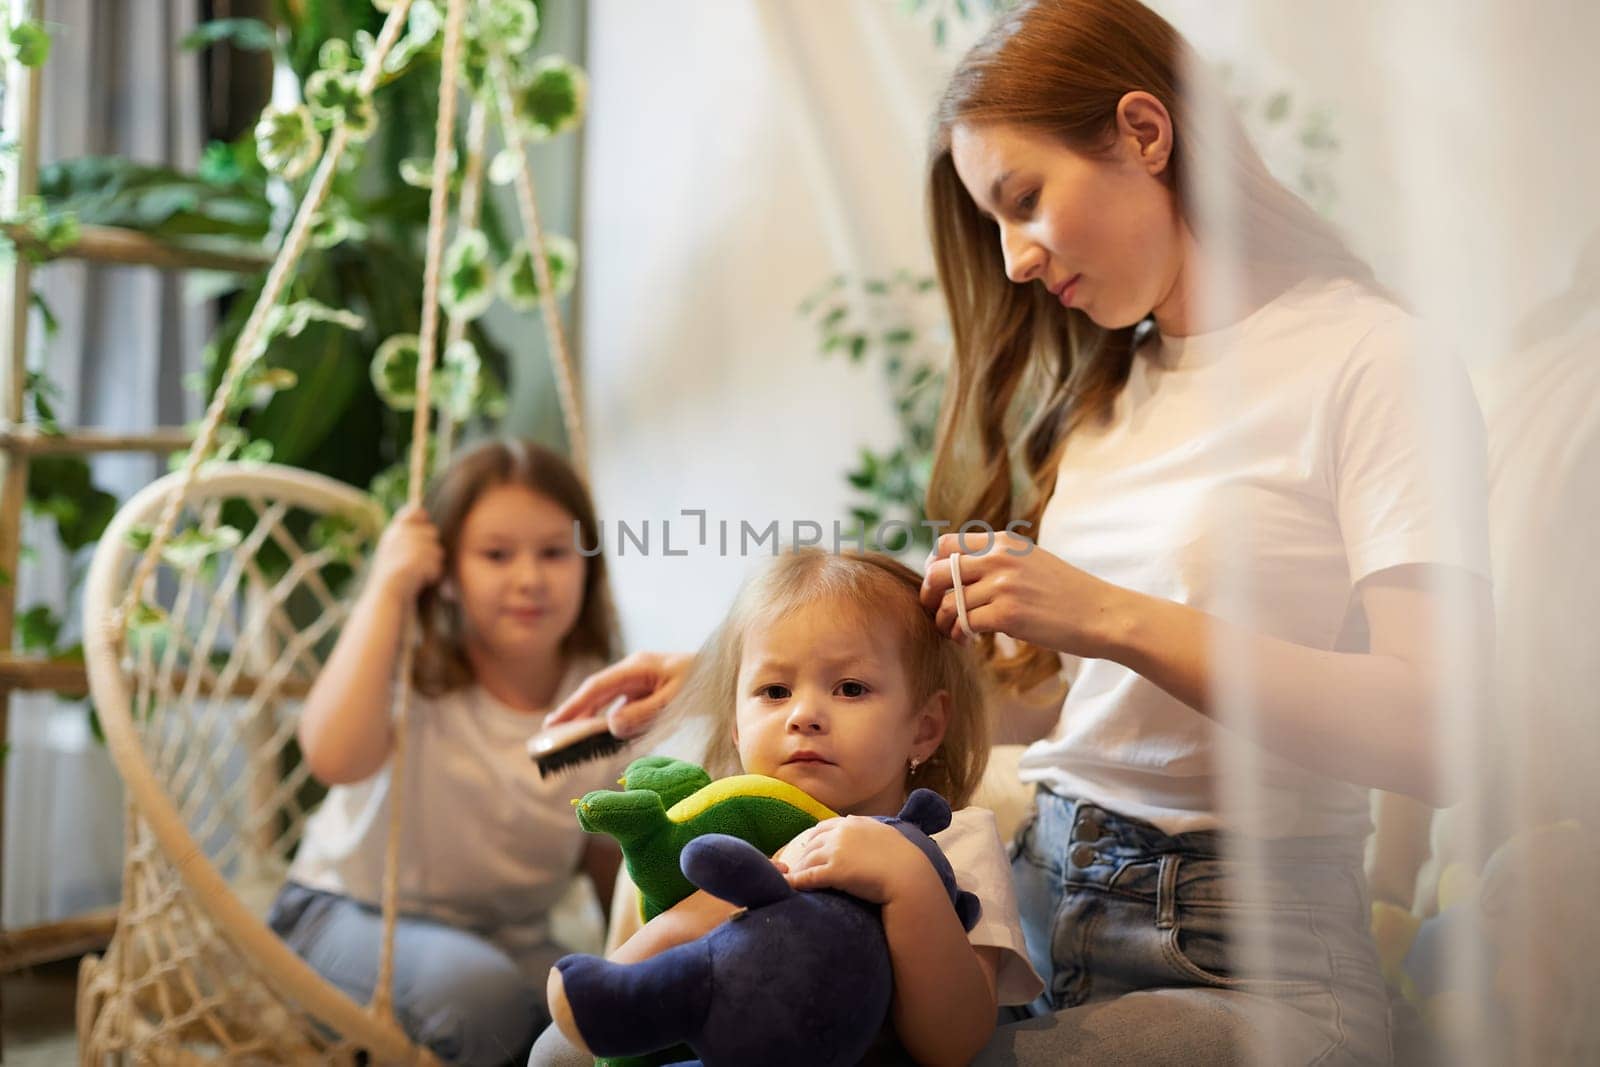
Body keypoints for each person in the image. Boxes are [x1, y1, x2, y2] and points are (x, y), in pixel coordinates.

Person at [551, 0, 1493, 1061]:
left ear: (1144, 132)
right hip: (1037, 910)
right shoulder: (1108, 390)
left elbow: (1433, 729)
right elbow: (1060, 704)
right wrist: (754, 676)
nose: (1011, 261)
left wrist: (1107, 614)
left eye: (1024, 200)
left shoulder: (1370, 361)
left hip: (1242, 961)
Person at [530, 549, 1042, 1065]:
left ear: (925, 727)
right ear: (735, 725)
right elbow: (631, 982)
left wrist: (907, 882)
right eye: (775, 691)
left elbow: (955, 1043)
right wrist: (722, 904)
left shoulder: (957, 839)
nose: (804, 715)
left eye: (850, 688)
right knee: (555, 1051)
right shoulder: (724, 830)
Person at [269, 439, 629, 1067]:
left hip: (505, 940)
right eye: (495, 555)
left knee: (617, 1007)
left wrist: (632, 963)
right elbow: (332, 757)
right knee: (481, 996)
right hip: (346, 918)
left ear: (588, 566)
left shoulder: (601, 695)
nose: (529, 578)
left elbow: (612, 858)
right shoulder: (413, 670)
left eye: (554, 552)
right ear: (449, 574)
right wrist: (388, 589)